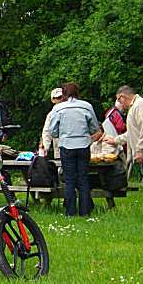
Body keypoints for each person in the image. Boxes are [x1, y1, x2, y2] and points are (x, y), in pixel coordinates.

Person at [104, 85, 143, 214]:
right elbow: (133, 133)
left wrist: (139, 150)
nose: (119, 103)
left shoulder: (141, 105)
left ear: (123, 97)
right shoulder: (135, 107)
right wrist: (115, 140)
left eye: (119, 99)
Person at [50, 82, 100, 217]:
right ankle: (85, 211)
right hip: (83, 145)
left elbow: (53, 131)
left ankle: (70, 212)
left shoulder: (58, 109)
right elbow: (94, 127)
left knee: (69, 179)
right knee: (83, 179)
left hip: (66, 146)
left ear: (64, 94)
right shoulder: (86, 106)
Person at [38, 87, 64, 159]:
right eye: (58, 98)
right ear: (53, 100)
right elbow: (47, 131)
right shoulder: (51, 114)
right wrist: (46, 147)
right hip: (59, 150)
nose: (60, 99)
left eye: (62, 97)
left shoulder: (72, 110)